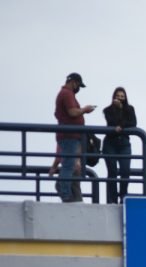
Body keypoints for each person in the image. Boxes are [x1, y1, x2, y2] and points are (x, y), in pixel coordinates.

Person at [54, 72, 95, 203]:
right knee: (68, 165)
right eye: (78, 85)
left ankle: (64, 190)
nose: (78, 88)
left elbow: (58, 114)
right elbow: (72, 112)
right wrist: (85, 110)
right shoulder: (67, 94)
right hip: (69, 136)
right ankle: (65, 193)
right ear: (74, 82)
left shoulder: (65, 93)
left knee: (69, 165)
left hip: (69, 135)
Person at [99, 86, 136, 205]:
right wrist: (118, 111)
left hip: (124, 144)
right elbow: (113, 123)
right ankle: (112, 199)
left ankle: (123, 197)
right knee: (112, 172)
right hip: (110, 144)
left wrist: (121, 110)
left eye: (122, 97)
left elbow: (133, 123)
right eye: (118, 96)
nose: (120, 99)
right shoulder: (107, 110)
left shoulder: (130, 109)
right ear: (114, 97)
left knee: (125, 171)